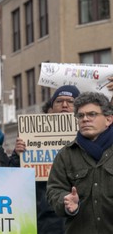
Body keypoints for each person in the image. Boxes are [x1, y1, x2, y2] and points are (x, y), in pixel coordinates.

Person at [16, 85, 80, 234]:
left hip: (80, 218)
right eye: (59, 101)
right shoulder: (30, 137)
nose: (64, 105)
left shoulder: (92, 135)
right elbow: (18, 179)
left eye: (70, 101)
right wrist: (17, 154)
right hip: (46, 218)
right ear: (52, 106)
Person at [47, 92, 113, 233]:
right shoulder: (66, 154)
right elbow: (54, 189)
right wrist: (65, 201)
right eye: (81, 116)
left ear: (108, 119)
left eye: (92, 114)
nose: (85, 119)